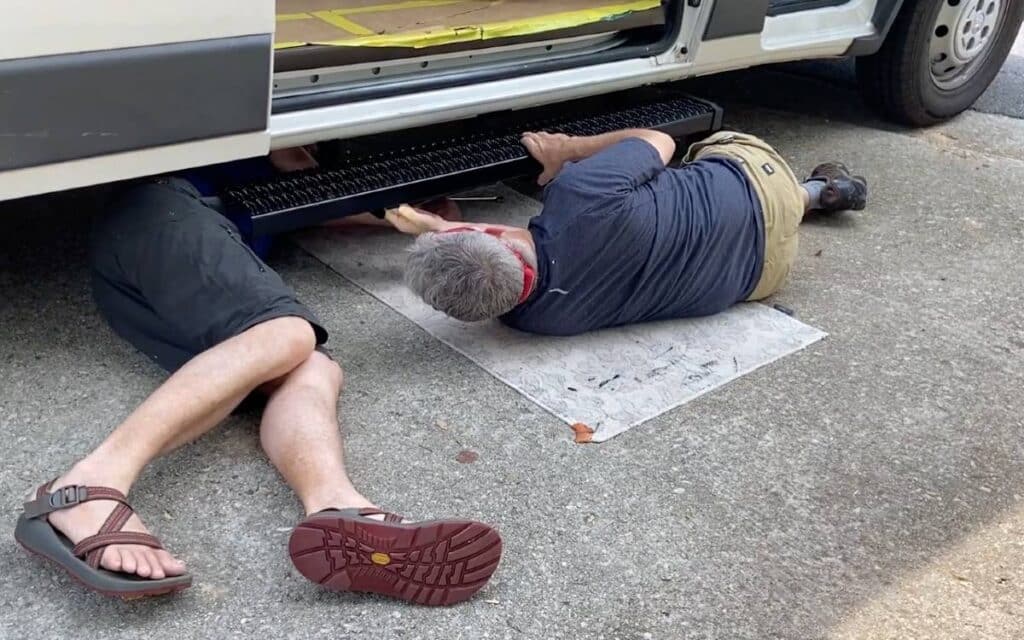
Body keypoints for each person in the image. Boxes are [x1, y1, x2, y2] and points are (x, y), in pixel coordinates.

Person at [14, 147, 502, 606]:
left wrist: (412, 220)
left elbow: (325, 209)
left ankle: (335, 505)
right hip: (152, 206)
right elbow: (290, 167)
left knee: (314, 367)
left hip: (152, 275)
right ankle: (86, 484)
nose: (308, 158)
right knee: (287, 333)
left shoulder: (274, 198)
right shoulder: (250, 151)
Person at [389, 128, 867, 334]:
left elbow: (493, 264)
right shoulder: (579, 195)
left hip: (760, 276)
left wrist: (440, 229)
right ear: (495, 234)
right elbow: (659, 141)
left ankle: (809, 198)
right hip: (762, 186)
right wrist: (569, 151)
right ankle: (814, 191)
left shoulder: (536, 322)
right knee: (697, 155)